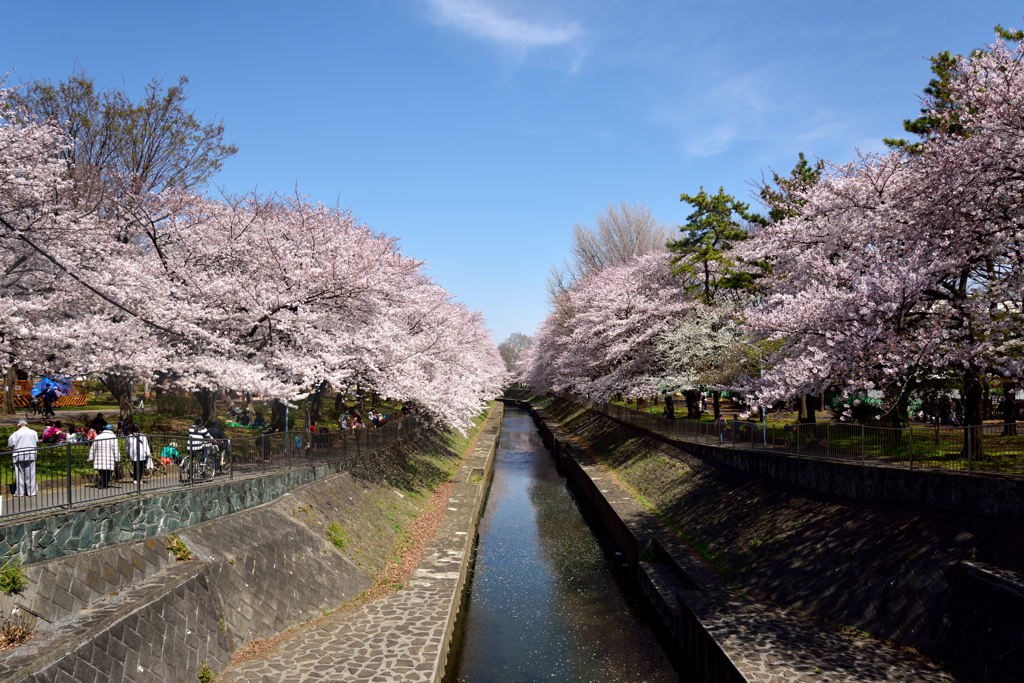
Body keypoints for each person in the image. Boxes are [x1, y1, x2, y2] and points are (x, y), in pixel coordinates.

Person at [7, 420, 38, 496]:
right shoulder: (33, 432)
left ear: (18, 426)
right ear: (27, 425)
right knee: (31, 473)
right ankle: (32, 492)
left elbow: (10, 444)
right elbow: (36, 442)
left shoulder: (15, 434)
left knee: (19, 474)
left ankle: (20, 492)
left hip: (19, 455)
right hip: (31, 454)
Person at [88, 424, 119, 489]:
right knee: (109, 472)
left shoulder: (98, 437)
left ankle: (103, 483)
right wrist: (117, 458)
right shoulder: (113, 437)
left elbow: (93, 447)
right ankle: (103, 484)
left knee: (102, 472)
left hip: (99, 457)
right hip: (109, 457)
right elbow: (115, 448)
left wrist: (90, 457)